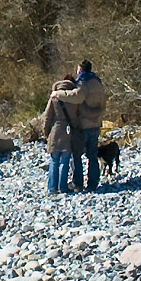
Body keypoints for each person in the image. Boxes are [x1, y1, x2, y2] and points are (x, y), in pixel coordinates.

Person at [55, 59, 109, 191]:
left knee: (76, 155)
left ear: (80, 69)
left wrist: (58, 94)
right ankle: (93, 184)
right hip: (96, 124)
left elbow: (76, 97)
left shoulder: (83, 82)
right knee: (92, 155)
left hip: (83, 124)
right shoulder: (98, 82)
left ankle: (78, 183)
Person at [43, 76, 77, 193]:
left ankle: (52, 188)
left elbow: (47, 117)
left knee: (54, 161)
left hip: (55, 131)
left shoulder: (54, 98)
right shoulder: (74, 97)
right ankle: (63, 187)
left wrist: (46, 132)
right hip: (68, 131)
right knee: (65, 160)